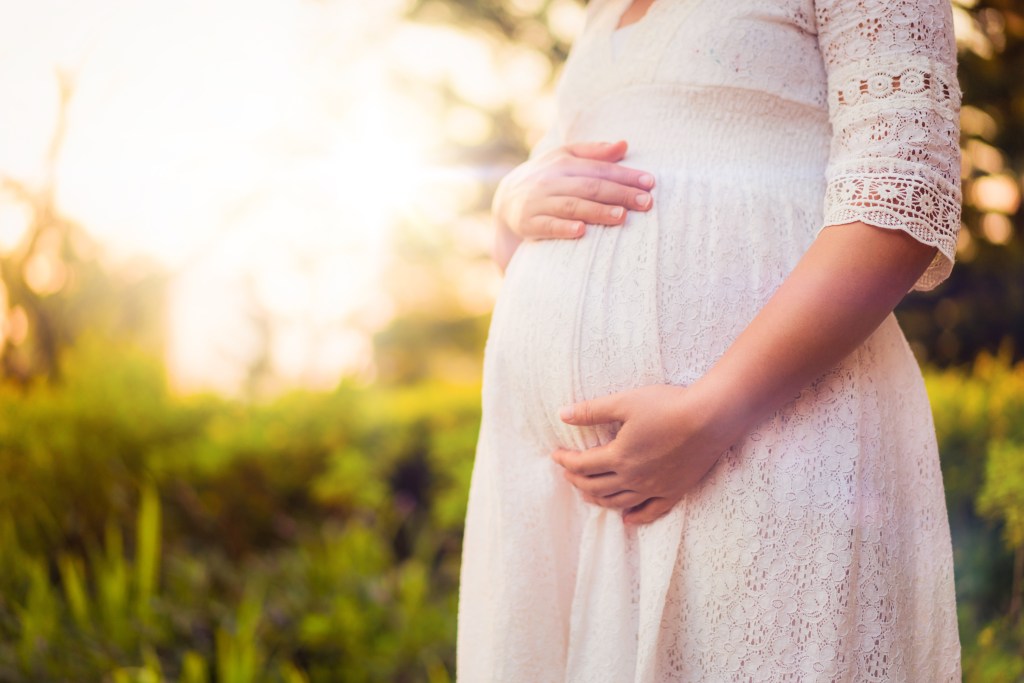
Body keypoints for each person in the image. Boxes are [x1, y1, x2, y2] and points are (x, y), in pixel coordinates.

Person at [458, 0, 962, 680]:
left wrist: (712, 412)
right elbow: (541, 230)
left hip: (772, 443)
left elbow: (903, 200)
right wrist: (512, 202)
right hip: (568, 509)